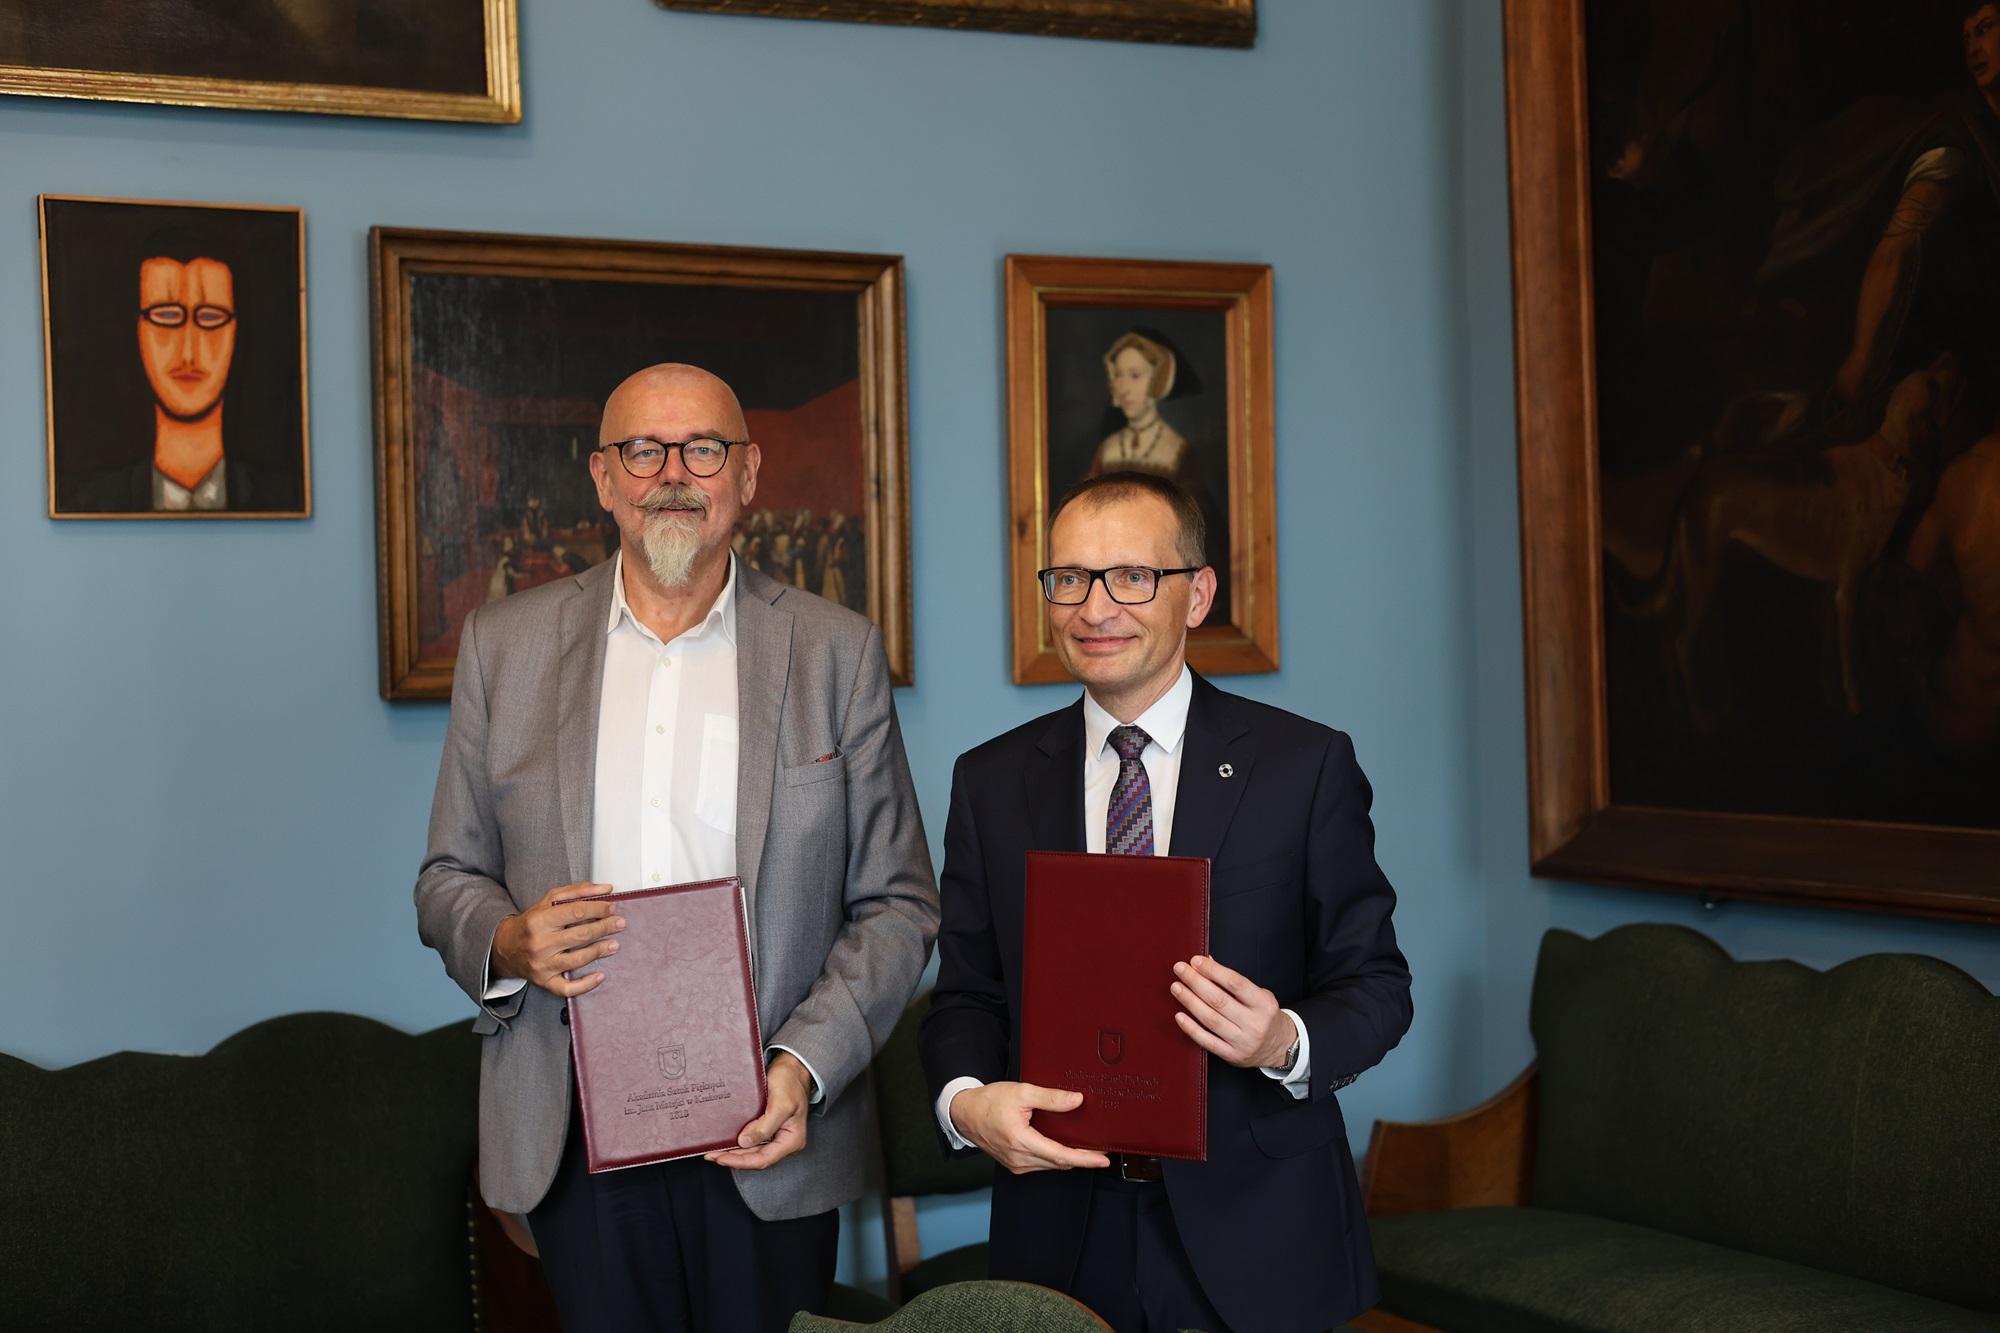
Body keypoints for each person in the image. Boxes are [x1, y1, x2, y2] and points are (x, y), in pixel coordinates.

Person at [415, 363, 939, 1333]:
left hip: (770, 1124)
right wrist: (510, 940)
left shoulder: (834, 651)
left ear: (746, 475)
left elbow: (899, 902)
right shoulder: (504, 645)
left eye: (701, 448)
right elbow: (446, 878)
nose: (671, 474)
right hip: (575, 1123)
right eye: (640, 450)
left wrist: (800, 1062)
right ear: (601, 477)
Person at [919, 471, 1412, 1332]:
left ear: (1198, 596)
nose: (1095, 607)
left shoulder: (1305, 766)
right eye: (1068, 578)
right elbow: (967, 991)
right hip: (1061, 1226)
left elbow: (1376, 983)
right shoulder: (989, 781)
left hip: (1262, 1224)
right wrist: (964, 1101)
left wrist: (1282, 1039)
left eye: (1131, 577)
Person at [1088, 331, 1197, 488]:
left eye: (1135, 375)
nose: (1124, 388)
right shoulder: (1107, 450)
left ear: (1157, 380)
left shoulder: (1178, 450)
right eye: (1118, 376)